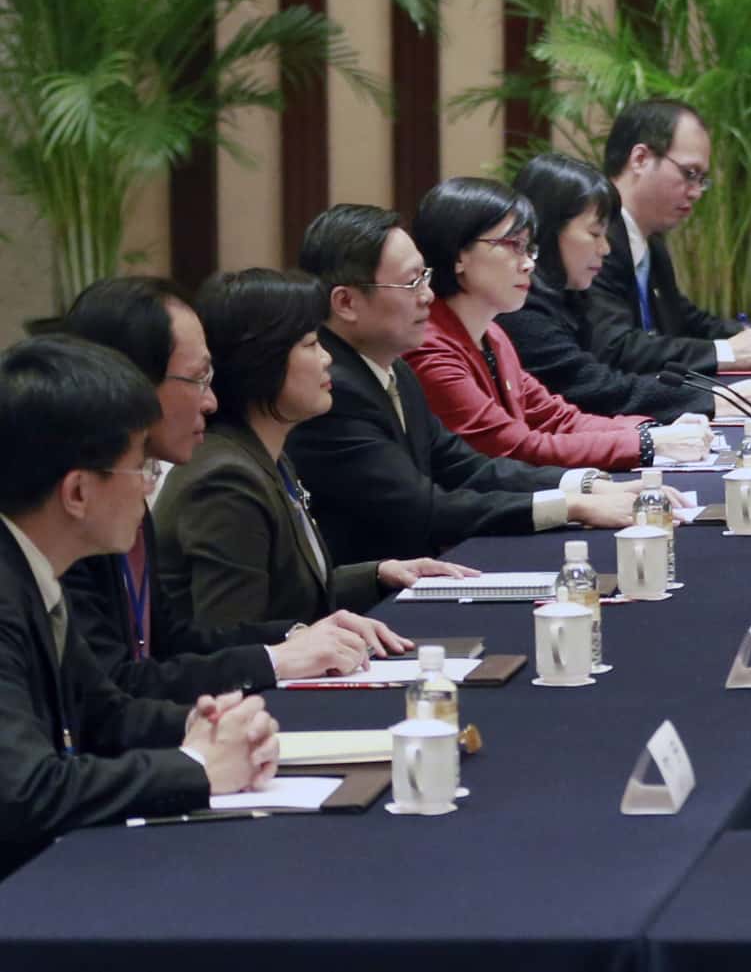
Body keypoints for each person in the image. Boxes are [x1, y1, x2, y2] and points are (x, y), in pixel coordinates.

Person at [0, 336, 279, 877]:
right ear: (77, 492)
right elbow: (23, 794)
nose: (150, 489)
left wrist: (204, 725)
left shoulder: (31, 571)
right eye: (141, 469)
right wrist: (195, 767)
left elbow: (107, 715)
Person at [57, 278, 395, 693]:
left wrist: (292, 636)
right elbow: (116, 690)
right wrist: (274, 661)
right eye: (197, 378)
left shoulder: (131, 489)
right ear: (132, 384)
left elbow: (171, 641)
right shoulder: (74, 517)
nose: (210, 400)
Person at [288, 204, 638, 568]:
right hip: (366, 606)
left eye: (424, 277)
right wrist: (569, 506)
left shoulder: (394, 371)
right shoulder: (333, 391)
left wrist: (583, 484)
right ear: (346, 302)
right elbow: (427, 508)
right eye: (411, 283)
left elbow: (469, 469)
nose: (427, 295)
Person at [154, 271, 474, 651]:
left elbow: (288, 588)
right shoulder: (225, 480)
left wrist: (379, 573)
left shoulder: (264, 452)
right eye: (310, 344)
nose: (327, 360)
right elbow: (233, 639)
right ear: (263, 361)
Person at [407, 177, 711, 473]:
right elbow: (516, 448)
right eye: (513, 245)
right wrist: (647, 443)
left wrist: (653, 430)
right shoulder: (430, 349)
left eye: (528, 249)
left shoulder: (493, 335)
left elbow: (558, 419)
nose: (527, 264)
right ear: (460, 255)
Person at [588, 98, 751, 370]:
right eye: (689, 173)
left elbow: (686, 320)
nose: (695, 192)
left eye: (701, 180)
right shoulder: (594, 241)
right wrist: (726, 351)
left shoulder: (649, 243)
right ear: (640, 159)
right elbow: (617, 348)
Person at [498, 151, 703, 421]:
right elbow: (598, 390)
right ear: (548, 230)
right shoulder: (521, 309)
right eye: (595, 234)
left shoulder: (569, 298)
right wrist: (708, 400)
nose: (605, 249)